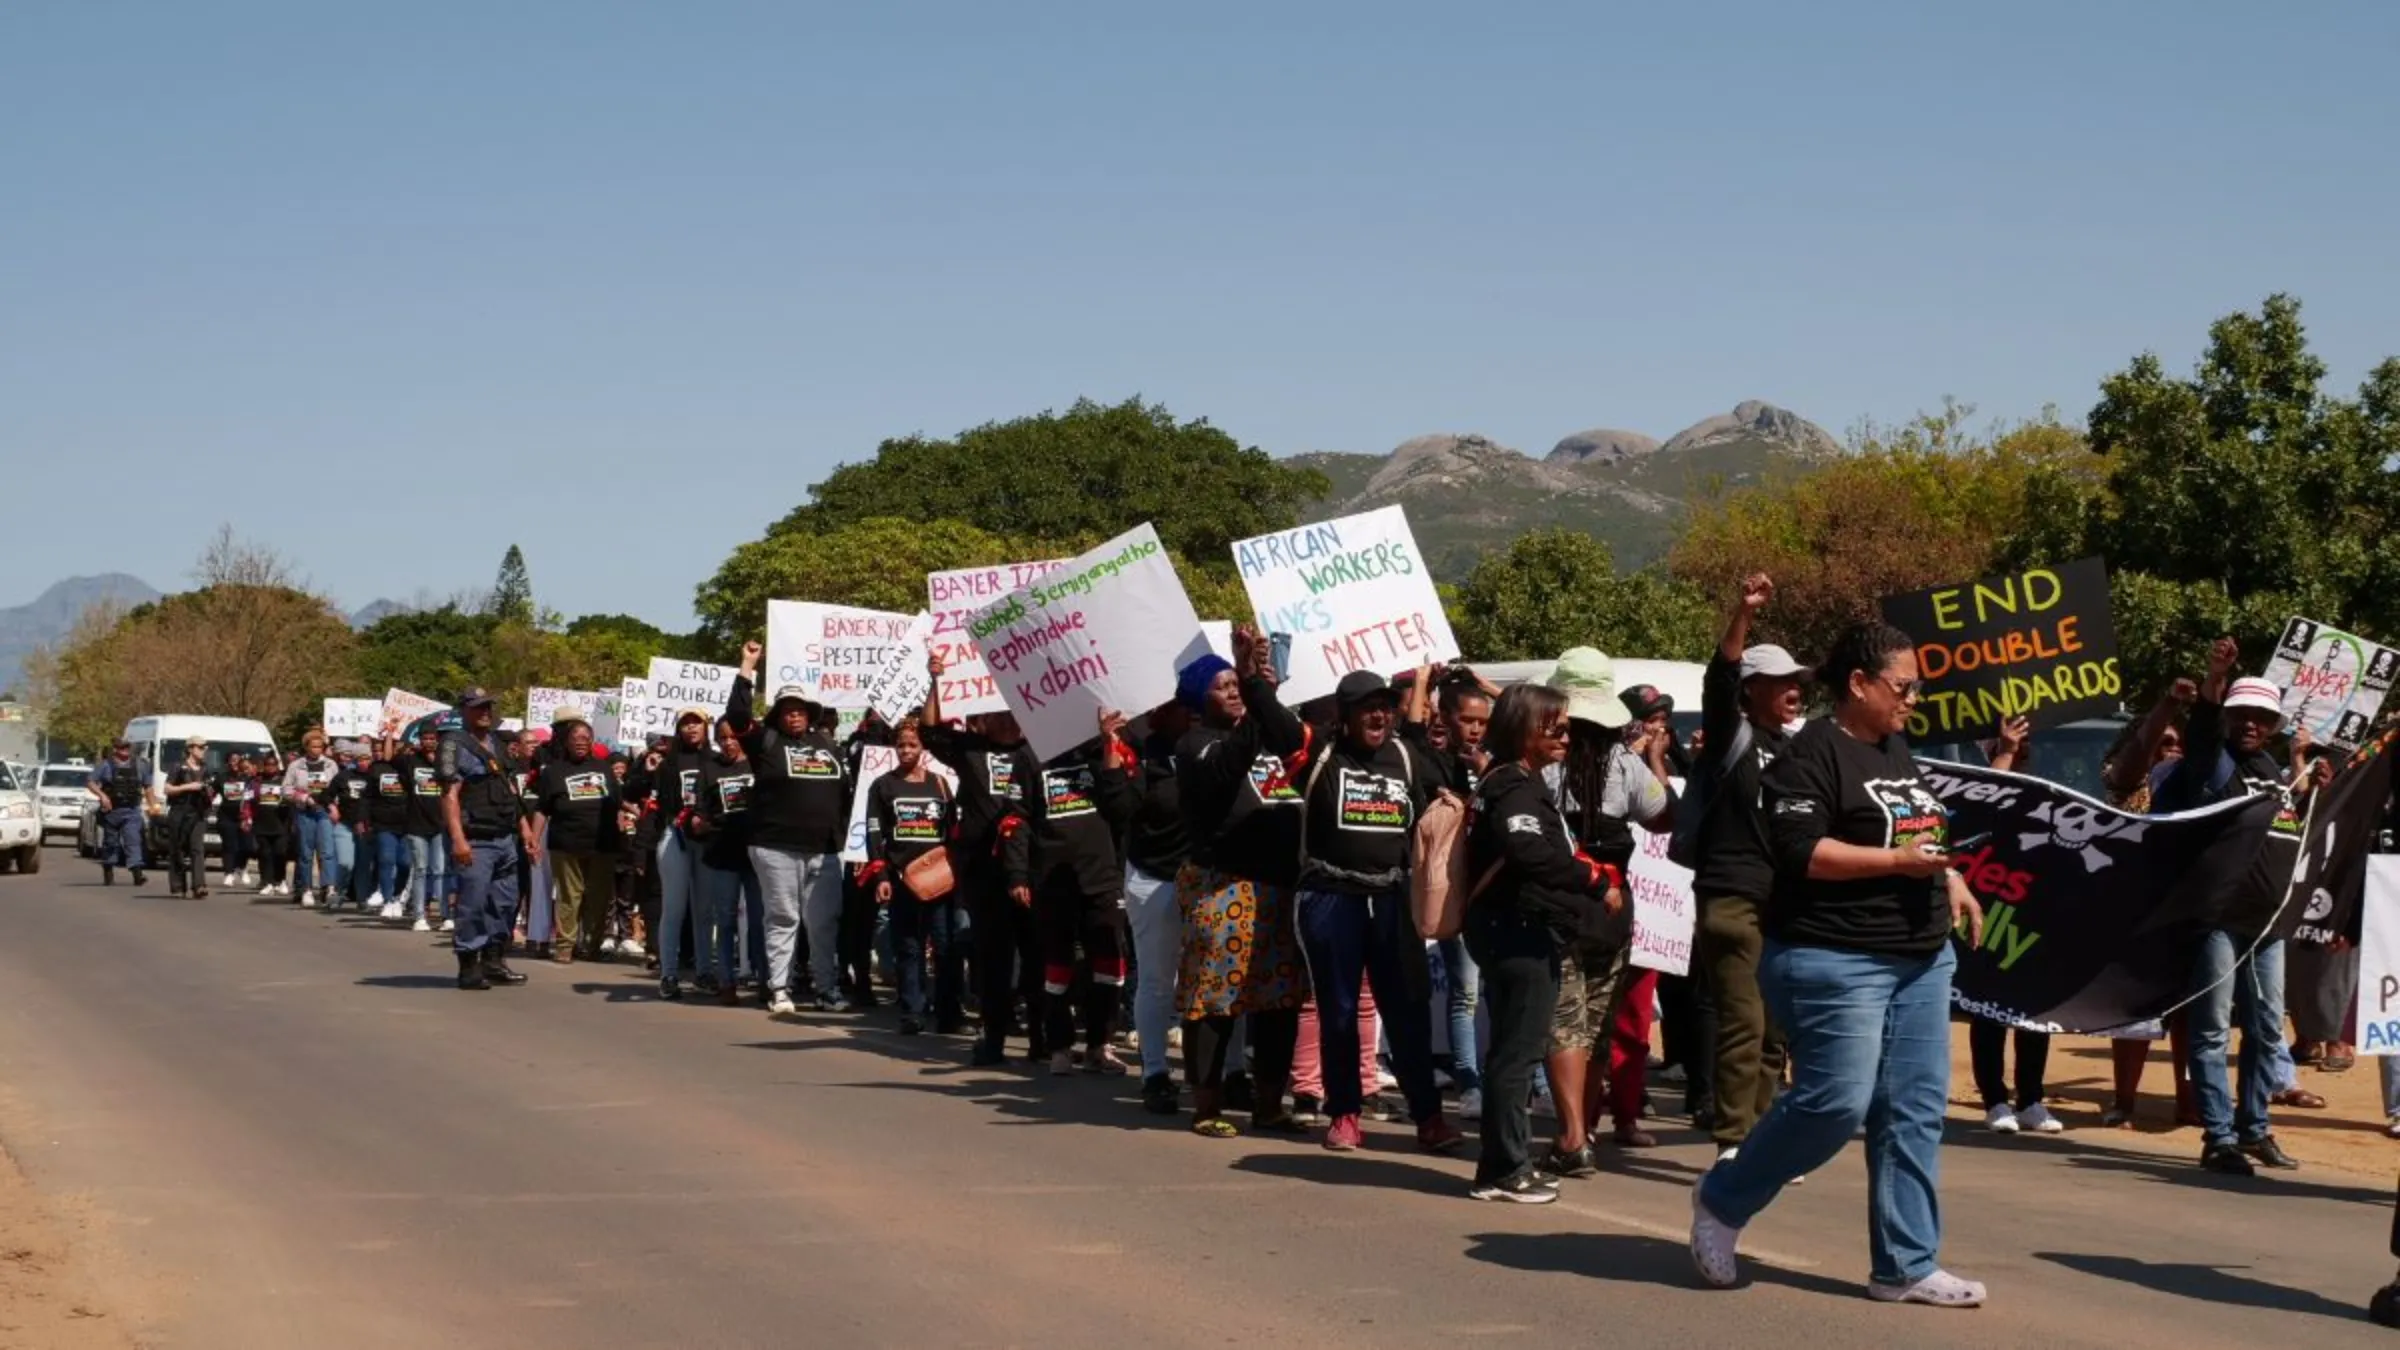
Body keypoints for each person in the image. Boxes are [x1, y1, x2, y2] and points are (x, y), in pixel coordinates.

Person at [1691, 620, 1986, 1306]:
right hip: (1833, 957)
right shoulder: (1811, 755)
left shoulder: (1895, 750)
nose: (1913, 699)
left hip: (1920, 959)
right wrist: (1897, 862)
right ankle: (1724, 1198)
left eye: (1917, 687)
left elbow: (1921, 832)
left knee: (1910, 1111)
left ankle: (1906, 1265)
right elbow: (1801, 852)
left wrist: (1950, 879)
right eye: (1903, 686)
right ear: (1859, 683)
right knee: (1835, 1102)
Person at [2151, 640, 2308, 1175]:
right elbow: (2202, 730)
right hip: (2219, 918)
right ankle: (2218, 1137)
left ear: (2273, 725)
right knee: (2213, 1027)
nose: (2251, 724)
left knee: (2266, 1030)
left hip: (2269, 922)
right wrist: (2216, 678)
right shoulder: (2210, 765)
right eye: (2243, 714)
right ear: (2229, 717)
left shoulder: (2271, 765)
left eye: (2262, 717)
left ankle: (2254, 1127)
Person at [1292, 669, 1461, 1153]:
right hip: (1330, 898)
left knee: (1408, 1010)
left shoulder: (1408, 756)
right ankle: (1344, 1113)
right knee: (1339, 1011)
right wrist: (1253, 674)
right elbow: (1268, 718)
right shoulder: (1321, 756)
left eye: (1385, 705)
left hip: (1392, 900)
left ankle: (1428, 1118)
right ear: (1344, 715)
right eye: (1367, 706)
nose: (1379, 714)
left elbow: (1449, 793)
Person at [1464, 682, 1615, 1203]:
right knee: (1517, 1053)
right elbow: (1530, 852)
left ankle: (1498, 1163)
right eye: (1552, 726)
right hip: (1516, 932)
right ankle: (1506, 1168)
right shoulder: (1513, 786)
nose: (1564, 736)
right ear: (1523, 729)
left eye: (1566, 726)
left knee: (1513, 1050)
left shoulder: (1515, 781)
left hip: (1517, 929)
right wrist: (1595, 881)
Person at [1539, 647, 1673, 1177]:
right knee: (1597, 1025)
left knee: (1564, 1024)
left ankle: (1572, 1134)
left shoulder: (1546, 762)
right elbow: (1663, 819)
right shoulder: (1624, 763)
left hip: (1563, 905)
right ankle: (1587, 1127)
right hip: (1617, 910)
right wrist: (1653, 762)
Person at [1173, 628, 1309, 1138]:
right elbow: (1230, 766)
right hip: (1224, 885)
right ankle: (1207, 1105)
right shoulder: (1196, 747)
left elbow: (1297, 747)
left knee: (1279, 1000)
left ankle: (1269, 1104)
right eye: (1222, 685)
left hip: (1281, 886)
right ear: (1197, 701)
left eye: (1236, 684)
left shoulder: (1267, 735)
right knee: (1214, 1000)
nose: (1231, 690)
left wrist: (1265, 696)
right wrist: (1253, 687)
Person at [1691, 574, 1808, 1165]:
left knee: (1774, 1034)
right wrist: (1744, 610)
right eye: (1782, 682)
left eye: (1796, 683)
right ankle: (1734, 1144)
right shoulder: (1731, 737)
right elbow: (1719, 674)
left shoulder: (1794, 751)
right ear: (1752, 689)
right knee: (1743, 1022)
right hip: (1732, 900)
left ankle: (1761, 1139)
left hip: (1782, 904)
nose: (1793, 690)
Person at [921, 654, 1047, 1067]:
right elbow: (929, 730)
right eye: (998, 712)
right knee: (994, 955)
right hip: (984, 871)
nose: (1007, 720)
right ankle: (992, 1035)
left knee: (1037, 953)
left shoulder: (1038, 751)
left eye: (1013, 712)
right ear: (982, 718)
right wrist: (936, 679)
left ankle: (1041, 1038)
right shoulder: (970, 750)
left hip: (1033, 868)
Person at [724, 643, 853, 1016]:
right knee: (783, 917)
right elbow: (736, 714)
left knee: (823, 922)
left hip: (825, 848)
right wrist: (747, 665)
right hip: (776, 845)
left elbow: (844, 795)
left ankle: (826, 988)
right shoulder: (766, 742)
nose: (794, 717)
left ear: (809, 715)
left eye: (800, 711)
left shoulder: (828, 745)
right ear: (777, 716)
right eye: (787, 711)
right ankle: (779, 988)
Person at [1006, 711, 1130, 1075]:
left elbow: (1122, 806)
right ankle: (1059, 1045)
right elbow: (1017, 820)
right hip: (1053, 881)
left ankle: (1099, 1045)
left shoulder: (1101, 749)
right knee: (1057, 969)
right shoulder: (1030, 756)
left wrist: (1109, 747)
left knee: (1110, 966)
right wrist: (1017, 874)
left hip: (1102, 877)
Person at [1403, 664, 1499, 1120]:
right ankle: (1469, 1081)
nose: (1476, 729)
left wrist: (1484, 686)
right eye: (1468, 719)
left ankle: (1530, 1080)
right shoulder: (1433, 760)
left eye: (1483, 720)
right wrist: (1423, 682)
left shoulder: (1497, 760)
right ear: (1446, 717)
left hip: (1495, 891)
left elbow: (1529, 714)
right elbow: (1413, 730)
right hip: (1455, 890)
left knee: (1499, 991)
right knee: (1465, 991)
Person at [2099, 680, 2196, 1127]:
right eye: (2164, 742)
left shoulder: (2196, 783)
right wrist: (2168, 705)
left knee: (2191, 1014)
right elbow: (2140, 748)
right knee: (2135, 1011)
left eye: (2178, 742)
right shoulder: (2129, 782)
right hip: (2137, 912)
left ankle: (2190, 1100)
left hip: (2189, 910)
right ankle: (2124, 1100)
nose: (2171, 750)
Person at [1096, 698, 1196, 1113]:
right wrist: (1110, 748)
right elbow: (1119, 810)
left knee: (1221, 984)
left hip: (1209, 879)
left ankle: (1228, 1074)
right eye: (1178, 704)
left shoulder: (1215, 743)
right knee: (1158, 982)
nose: (1188, 711)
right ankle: (1155, 1072)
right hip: (1154, 877)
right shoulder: (1140, 750)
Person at [1967, 716, 2062, 1135]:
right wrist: (2002, 753)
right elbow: (1980, 810)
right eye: (2011, 743)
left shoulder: (2043, 791)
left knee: (2032, 1009)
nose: (2021, 748)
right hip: (1988, 910)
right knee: (1988, 1008)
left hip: (2031, 912)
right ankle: (1994, 1100)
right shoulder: (1981, 783)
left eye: (2025, 744)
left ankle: (2031, 1100)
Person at [864, 716, 958, 1035]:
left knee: (946, 946)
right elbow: (874, 833)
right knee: (908, 946)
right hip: (903, 880)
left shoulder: (940, 784)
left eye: (912, 744)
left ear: (923, 747)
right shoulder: (883, 786)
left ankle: (948, 1013)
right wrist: (881, 877)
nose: (906, 750)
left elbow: (952, 830)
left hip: (941, 881)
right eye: (901, 745)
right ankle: (912, 1011)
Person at [438, 689, 530, 991]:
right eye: (478, 708)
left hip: (506, 837)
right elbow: (449, 795)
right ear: (464, 710)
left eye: (488, 706)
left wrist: (526, 830)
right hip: (475, 839)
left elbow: (510, 791)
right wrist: (458, 839)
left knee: (504, 902)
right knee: (473, 904)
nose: (485, 712)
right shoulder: (453, 744)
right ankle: (468, 966)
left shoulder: (499, 744)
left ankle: (494, 960)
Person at [531, 711, 622, 964]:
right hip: (565, 844)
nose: (581, 741)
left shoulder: (604, 769)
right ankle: (564, 946)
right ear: (567, 742)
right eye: (576, 737)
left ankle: (591, 946)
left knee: (598, 897)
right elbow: (542, 808)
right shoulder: (553, 771)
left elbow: (617, 804)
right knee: (569, 896)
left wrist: (623, 824)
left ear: (592, 741)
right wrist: (534, 840)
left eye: (586, 737)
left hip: (602, 844)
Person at [284, 730, 340, 908]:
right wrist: (303, 797)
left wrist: (333, 806)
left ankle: (329, 887)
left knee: (327, 851)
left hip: (324, 811)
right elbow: (286, 789)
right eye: (313, 746)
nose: (317, 750)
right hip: (305, 812)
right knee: (306, 853)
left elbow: (338, 788)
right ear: (306, 747)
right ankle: (306, 889)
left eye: (320, 746)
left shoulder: (331, 764)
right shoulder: (296, 766)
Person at [367, 735, 419, 926]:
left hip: (408, 824)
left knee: (405, 863)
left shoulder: (412, 768)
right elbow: (368, 796)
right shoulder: (378, 768)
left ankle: (397, 896)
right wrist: (365, 819)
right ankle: (388, 899)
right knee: (386, 860)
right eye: (393, 747)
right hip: (384, 823)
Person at [88, 738, 153, 887]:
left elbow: (148, 787)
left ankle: (137, 873)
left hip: (132, 810)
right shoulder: (106, 766)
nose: (125, 750)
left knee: (133, 840)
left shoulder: (140, 765)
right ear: (115, 749)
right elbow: (91, 782)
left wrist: (152, 805)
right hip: (112, 811)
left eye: (127, 747)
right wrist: (102, 796)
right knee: (111, 843)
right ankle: (108, 870)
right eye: (121, 747)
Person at [160, 737, 213, 898]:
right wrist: (188, 787)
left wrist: (209, 791)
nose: (204, 750)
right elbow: (167, 789)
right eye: (201, 747)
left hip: (198, 813)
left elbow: (210, 789)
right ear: (190, 748)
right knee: (177, 849)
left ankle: (199, 886)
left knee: (197, 848)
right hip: (179, 812)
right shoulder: (178, 767)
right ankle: (177, 886)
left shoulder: (205, 769)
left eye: (205, 748)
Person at [331, 744, 375, 910]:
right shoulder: (343, 776)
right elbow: (326, 795)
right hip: (345, 824)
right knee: (346, 863)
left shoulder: (374, 777)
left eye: (367, 759)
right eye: (360, 759)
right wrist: (332, 808)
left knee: (364, 865)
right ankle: (339, 893)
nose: (364, 763)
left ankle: (362, 899)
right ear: (354, 760)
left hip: (366, 827)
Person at [248, 752, 292, 897]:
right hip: (262, 823)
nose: (270, 767)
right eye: (268, 765)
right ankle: (268, 882)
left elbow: (291, 796)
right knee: (265, 854)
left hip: (280, 823)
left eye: (273, 765)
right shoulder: (256, 782)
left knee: (280, 852)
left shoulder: (284, 781)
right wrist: (246, 817)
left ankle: (281, 880)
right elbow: (247, 800)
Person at [214, 751, 253, 890]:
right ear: (228, 762)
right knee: (230, 845)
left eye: (238, 760)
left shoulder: (247, 778)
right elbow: (212, 793)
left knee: (248, 846)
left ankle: (241, 867)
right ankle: (228, 872)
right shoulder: (222, 777)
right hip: (226, 816)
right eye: (233, 760)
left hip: (244, 816)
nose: (235, 763)